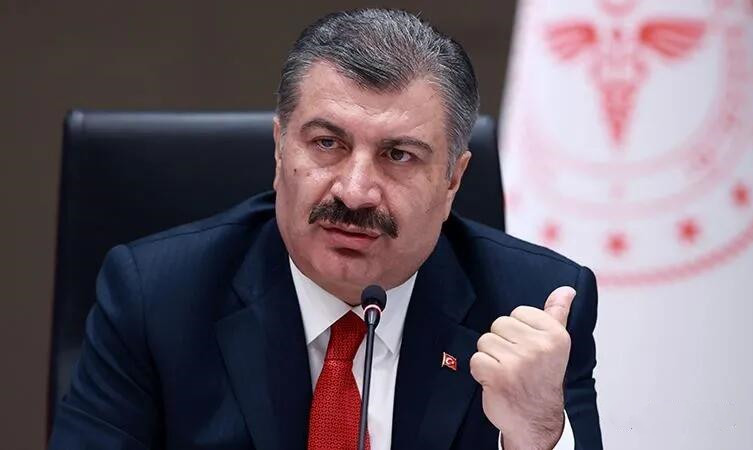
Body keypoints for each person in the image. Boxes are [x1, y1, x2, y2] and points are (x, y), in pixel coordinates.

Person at [48, 8, 601, 450]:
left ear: (452, 179)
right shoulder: (157, 296)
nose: (355, 192)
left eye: (399, 155)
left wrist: (536, 435)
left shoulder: (532, 304)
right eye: (327, 144)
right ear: (279, 149)